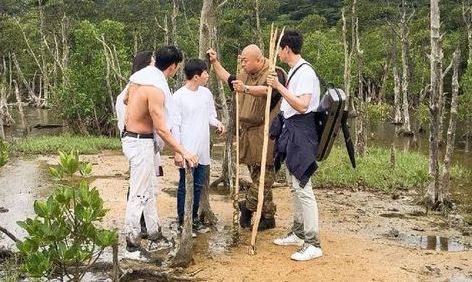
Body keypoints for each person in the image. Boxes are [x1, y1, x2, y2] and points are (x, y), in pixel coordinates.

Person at [121, 45, 198, 260]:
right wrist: (182, 150)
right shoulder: (154, 88)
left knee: (149, 191)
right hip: (139, 143)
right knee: (138, 194)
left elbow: (126, 99)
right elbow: (162, 128)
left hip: (137, 139)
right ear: (173, 67)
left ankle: (155, 234)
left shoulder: (138, 79)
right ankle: (131, 245)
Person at [206, 45, 286, 231]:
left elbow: (270, 90)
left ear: (258, 60)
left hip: (267, 132)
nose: (242, 64)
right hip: (248, 133)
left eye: (245, 61)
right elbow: (228, 78)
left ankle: (248, 206)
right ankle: (268, 217)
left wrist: (247, 88)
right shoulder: (243, 74)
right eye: (241, 60)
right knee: (257, 175)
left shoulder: (275, 73)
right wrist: (215, 62)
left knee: (266, 177)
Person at [267, 30, 323, 261]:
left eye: (279, 48)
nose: (278, 53)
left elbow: (302, 105)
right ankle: (299, 233)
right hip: (292, 130)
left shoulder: (306, 72)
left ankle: (313, 243)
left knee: (303, 186)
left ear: (287, 48)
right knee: (294, 185)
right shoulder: (294, 71)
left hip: (302, 130)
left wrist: (279, 87)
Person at [172, 58, 225, 235]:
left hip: (203, 150)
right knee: (184, 185)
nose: (208, 75)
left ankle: (193, 219)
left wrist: (218, 123)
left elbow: (210, 115)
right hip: (187, 149)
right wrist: (178, 152)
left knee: (198, 185)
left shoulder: (206, 94)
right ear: (196, 76)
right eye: (205, 72)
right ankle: (182, 221)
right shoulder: (178, 97)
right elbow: (175, 126)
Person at [116, 51, 155, 240]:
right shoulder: (131, 92)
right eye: (152, 64)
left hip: (141, 143)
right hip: (136, 142)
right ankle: (135, 230)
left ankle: (145, 225)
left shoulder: (140, 89)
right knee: (138, 187)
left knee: (143, 185)